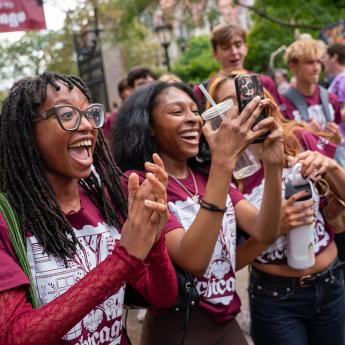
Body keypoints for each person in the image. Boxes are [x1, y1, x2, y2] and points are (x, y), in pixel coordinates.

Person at [0, 73, 178, 345]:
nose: (86, 126)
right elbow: (16, 335)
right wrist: (124, 258)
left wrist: (154, 244)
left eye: (89, 114)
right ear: (27, 130)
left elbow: (162, 297)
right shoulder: (6, 219)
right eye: (67, 115)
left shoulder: (106, 200)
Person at [111, 81, 284, 345]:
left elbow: (265, 231)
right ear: (150, 126)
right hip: (181, 329)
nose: (192, 119)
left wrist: (273, 166)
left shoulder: (205, 174)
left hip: (227, 322)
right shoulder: (139, 182)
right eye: (177, 112)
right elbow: (194, 261)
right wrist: (223, 163)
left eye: (195, 111)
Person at [206, 73, 345, 345]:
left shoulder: (297, 137)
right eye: (228, 104)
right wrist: (276, 227)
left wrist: (331, 166)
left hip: (331, 285)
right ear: (218, 115)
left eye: (245, 97)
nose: (242, 108)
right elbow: (227, 261)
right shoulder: (225, 171)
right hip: (276, 299)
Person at [193, 24, 280, 107]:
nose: (234, 52)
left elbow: (281, 119)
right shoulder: (202, 91)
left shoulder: (265, 82)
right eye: (226, 48)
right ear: (215, 53)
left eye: (238, 45)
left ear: (246, 48)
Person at [280, 38, 344, 145]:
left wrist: (338, 139)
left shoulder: (331, 98)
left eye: (318, 62)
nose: (316, 68)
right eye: (309, 62)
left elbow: (337, 136)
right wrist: (304, 135)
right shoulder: (283, 104)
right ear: (293, 65)